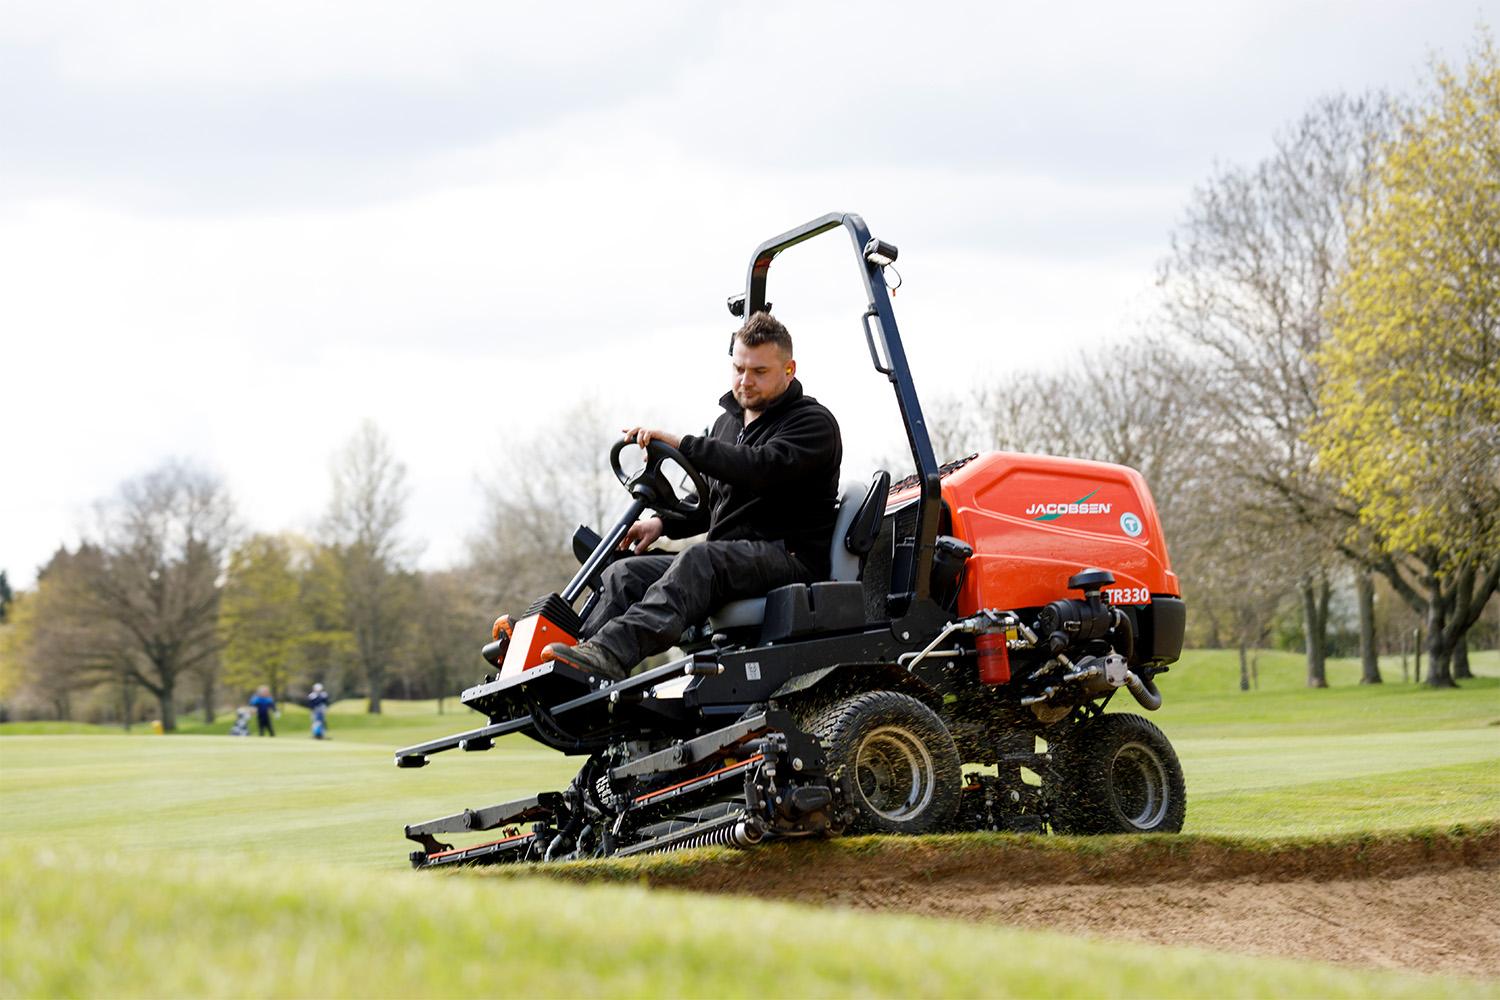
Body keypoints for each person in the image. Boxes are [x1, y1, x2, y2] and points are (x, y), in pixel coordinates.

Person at [544, 311, 842, 680]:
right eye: (738, 368)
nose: (745, 381)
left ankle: (609, 655)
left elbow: (757, 469)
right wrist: (661, 523)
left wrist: (683, 443)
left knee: (700, 560)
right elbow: (714, 502)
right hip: (727, 560)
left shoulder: (812, 424)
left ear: (788, 369)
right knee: (624, 573)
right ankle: (573, 660)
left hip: (788, 557)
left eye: (759, 372)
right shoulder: (727, 424)